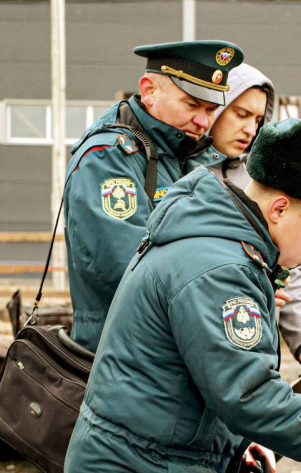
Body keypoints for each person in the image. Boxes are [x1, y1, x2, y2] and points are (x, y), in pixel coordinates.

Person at [63, 114, 301, 473]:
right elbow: (249, 395)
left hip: (150, 471)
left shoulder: (222, 243)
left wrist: (231, 439)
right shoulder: (219, 268)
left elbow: (202, 373)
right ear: (279, 208)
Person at [63, 40, 243, 353]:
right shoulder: (109, 158)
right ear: (149, 91)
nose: (203, 121)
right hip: (126, 354)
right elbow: (122, 265)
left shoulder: (200, 155)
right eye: (191, 105)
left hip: (186, 345)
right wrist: (219, 291)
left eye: (211, 110)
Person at [205, 64, 301, 389]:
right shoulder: (182, 181)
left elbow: (289, 265)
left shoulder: (258, 180)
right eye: (241, 114)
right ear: (213, 106)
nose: (249, 129)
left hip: (253, 348)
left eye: (258, 120)